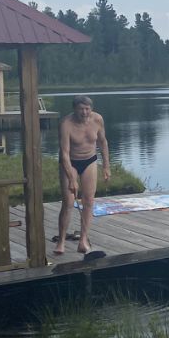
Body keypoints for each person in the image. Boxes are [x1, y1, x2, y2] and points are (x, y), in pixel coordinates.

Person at [55, 95, 110, 256]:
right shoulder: (66, 124)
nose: (84, 112)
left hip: (90, 160)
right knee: (68, 202)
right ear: (75, 109)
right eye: (81, 109)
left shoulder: (97, 119)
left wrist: (106, 166)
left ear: (91, 109)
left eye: (87, 109)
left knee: (89, 201)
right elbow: (64, 153)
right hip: (70, 162)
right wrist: (72, 179)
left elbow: (103, 142)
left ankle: (83, 240)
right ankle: (61, 241)